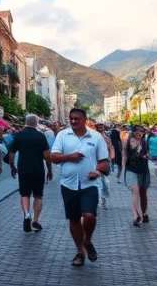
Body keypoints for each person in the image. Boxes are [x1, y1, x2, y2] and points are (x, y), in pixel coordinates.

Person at [50, 108, 110, 267]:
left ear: (84, 120)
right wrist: (70, 156)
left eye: (77, 118)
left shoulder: (96, 137)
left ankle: (87, 240)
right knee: (74, 218)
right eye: (71, 119)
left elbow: (104, 161)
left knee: (89, 215)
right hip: (68, 184)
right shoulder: (63, 135)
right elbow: (53, 157)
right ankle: (79, 251)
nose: (74, 121)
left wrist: (98, 171)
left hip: (89, 184)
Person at [8, 114, 53, 232]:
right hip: (38, 169)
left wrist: (12, 166)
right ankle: (36, 220)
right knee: (38, 195)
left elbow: (11, 153)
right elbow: (47, 155)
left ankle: (26, 214)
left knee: (24, 194)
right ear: (36, 123)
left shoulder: (18, 135)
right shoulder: (41, 136)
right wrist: (50, 170)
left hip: (23, 169)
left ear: (26, 122)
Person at [123, 126, 151, 226]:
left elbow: (147, 153)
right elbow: (125, 154)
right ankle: (136, 215)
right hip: (131, 168)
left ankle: (145, 213)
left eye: (142, 131)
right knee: (135, 190)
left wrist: (146, 156)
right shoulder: (127, 142)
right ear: (133, 132)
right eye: (138, 131)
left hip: (143, 169)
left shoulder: (144, 142)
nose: (140, 133)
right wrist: (123, 167)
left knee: (143, 192)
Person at [95, 123, 113, 208]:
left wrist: (111, 157)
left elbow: (110, 148)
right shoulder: (93, 138)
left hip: (105, 163)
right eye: (98, 127)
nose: (100, 128)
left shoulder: (107, 138)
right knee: (97, 182)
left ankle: (103, 198)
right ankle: (99, 200)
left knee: (106, 182)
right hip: (95, 163)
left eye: (101, 127)